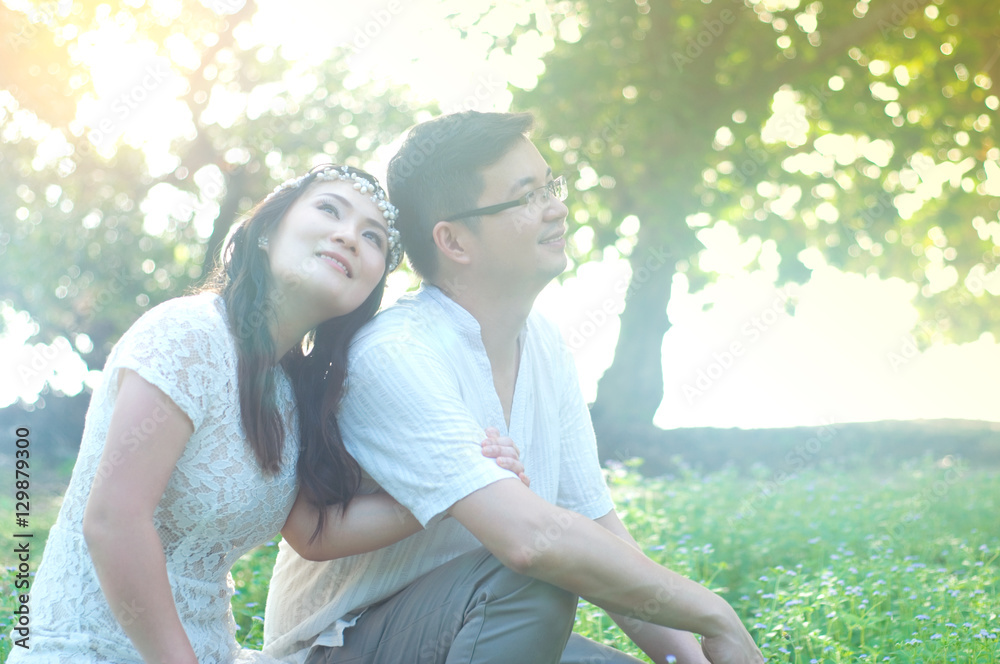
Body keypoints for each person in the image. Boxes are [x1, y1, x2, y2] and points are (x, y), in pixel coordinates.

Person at [263, 113, 764, 664]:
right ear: (453, 241)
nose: (557, 207)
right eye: (526, 197)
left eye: (551, 185)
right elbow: (530, 542)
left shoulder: (544, 345)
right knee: (540, 574)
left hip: (477, 623)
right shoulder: (396, 354)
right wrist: (715, 614)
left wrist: (695, 658)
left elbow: (596, 525)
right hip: (342, 647)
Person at [8, 164, 532, 664]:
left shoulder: (293, 388)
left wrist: (449, 487)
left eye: (374, 238)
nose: (350, 236)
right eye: (331, 210)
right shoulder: (189, 335)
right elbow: (113, 521)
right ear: (266, 229)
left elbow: (312, 531)